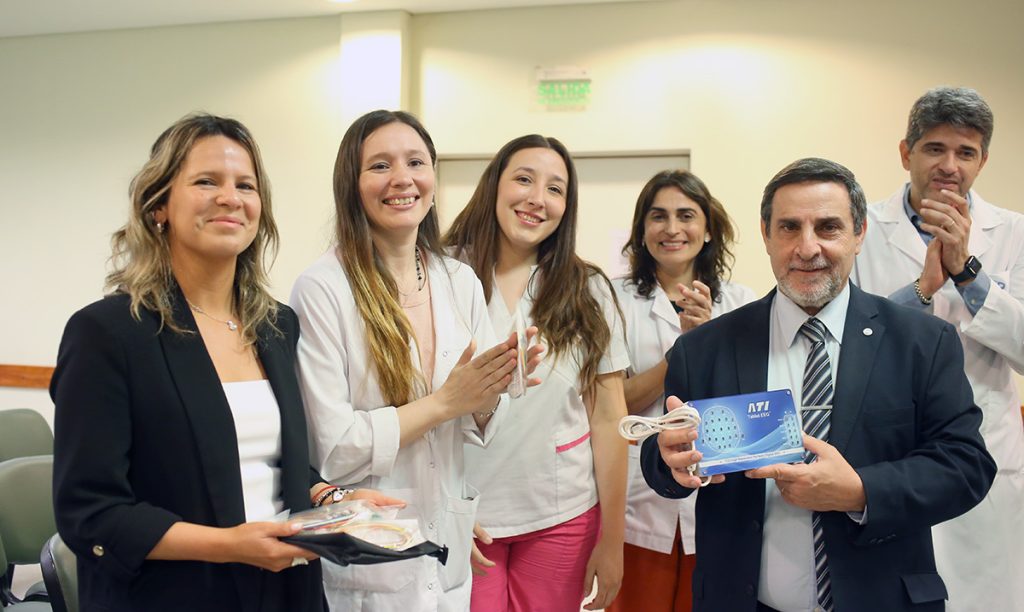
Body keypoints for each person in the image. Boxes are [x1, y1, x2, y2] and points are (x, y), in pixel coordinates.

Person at [50, 113, 391, 612]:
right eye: (206, 181)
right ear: (159, 205)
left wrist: (334, 500)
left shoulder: (276, 325)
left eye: (245, 185)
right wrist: (230, 546)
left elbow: (277, 464)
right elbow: (90, 513)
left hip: (289, 589)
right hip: (174, 595)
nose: (230, 197)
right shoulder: (108, 333)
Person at [640, 157, 996, 612]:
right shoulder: (704, 349)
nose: (807, 248)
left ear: (859, 233)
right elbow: (662, 457)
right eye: (789, 228)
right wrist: (670, 461)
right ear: (766, 235)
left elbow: (966, 466)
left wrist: (861, 490)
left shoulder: (921, 341)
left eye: (828, 227)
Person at [290, 110, 542, 612]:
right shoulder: (322, 289)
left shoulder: (458, 281)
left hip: (445, 547)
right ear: (351, 183)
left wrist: (491, 391)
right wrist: (448, 401)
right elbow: (333, 449)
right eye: (380, 165)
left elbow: (480, 426)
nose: (402, 178)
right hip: (367, 558)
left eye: (416, 162)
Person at [852, 86, 1024, 611]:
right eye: (934, 148)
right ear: (906, 153)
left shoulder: (1014, 233)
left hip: (985, 458)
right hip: (888, 457)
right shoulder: (859, 231)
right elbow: (846, 338)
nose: (950, 166)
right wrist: (922, 290)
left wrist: (969, 276)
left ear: (983, 161)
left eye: (965, 152)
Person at [445, 134, 630, 612]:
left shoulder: (586, 288)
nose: (537, 198)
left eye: (555, 189)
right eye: (524, 179)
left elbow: (609, 418)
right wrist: (439, 510)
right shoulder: (441, 274)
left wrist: (612, 539)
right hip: (464, 511)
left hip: (560, 513)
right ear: (495, 185)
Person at [609, 170, 755, 612]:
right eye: (658, 216)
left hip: (717, 498)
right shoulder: (611, 299)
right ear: (642, 230)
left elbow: (748, 408)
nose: (672, 229)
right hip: (637, 499)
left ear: (708, 229)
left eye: (686, 215)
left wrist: (709, 342)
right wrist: (683, 351)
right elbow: (614, 406)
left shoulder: (741, 303)